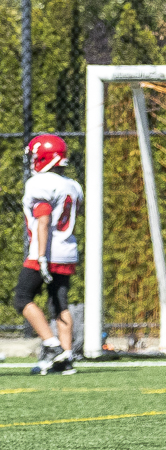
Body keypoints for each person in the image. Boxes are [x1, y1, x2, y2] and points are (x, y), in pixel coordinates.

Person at [14, 135, 83, 375]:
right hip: (67, 251)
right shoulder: (72, 185)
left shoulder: (40, 182)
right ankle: (66, 357)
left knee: (22, 298)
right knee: (59, 303)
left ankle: (52, 345)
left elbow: (43, 221)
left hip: (46, 251)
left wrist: (41, 256)